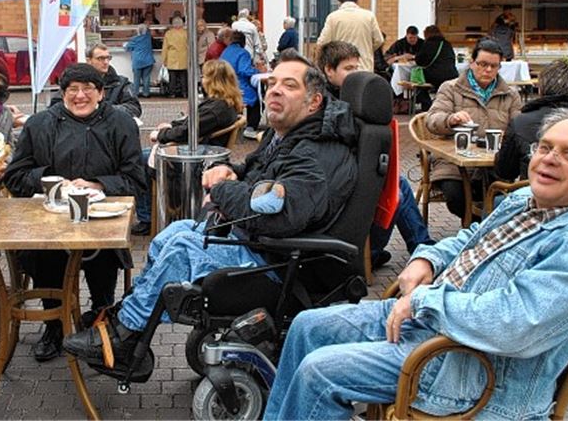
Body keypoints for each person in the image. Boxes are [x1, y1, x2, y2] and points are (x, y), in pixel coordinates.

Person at [265, 110, 568, 420]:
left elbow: (514, 323)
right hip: (432, 324)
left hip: (467, 369)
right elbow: (470, 237)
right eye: (545, 147)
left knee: (320, 372)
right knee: (307, 325)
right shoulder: (525, 200)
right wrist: (427, 256)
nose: (549, 159)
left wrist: (424, 301)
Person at [63, 50, 359, 364]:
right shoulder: (288, 136)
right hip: (260, 244)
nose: (274, 89)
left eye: (289, 85)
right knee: (171, 234)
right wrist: (232, 171)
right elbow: (258, 172)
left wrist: (221, 188)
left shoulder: (315, 152)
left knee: (182, 247)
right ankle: (129, 318)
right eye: (272, 82)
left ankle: (124, 336)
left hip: (279, 261)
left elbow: (278, 214)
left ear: (313, 103)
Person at [2, 64, 146, 362]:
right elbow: (14, 177)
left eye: (88, 89)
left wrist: (97, 184)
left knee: (104, 254)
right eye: (72, 90)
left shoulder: (121, 123)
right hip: (49, 221)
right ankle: (54, 325)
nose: (80, 96)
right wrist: (50, 182)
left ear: (101, 93)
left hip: (102, 222)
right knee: (44, 254)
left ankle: (101, 318)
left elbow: (136, 180)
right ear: (62, 93)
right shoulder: (40, 124)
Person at [318, 41, 433, 268]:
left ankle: (396, 249)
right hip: (336, 184)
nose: (355, 73)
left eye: (356, 67)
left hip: (348, 176)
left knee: (395, 184)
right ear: (329, 70)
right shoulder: (326, 103)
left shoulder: (350, 97)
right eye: (348, 69)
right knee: (396, 189)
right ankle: (408, 248)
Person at [132, 59, 244, 236]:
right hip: (199, 149)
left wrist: (161, 134)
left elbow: (186, 132)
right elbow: (189, 125)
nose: (201, 80)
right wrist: (171, 125)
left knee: (136, 160)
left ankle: (146, 217)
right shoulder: (222, 104)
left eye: (204, 76)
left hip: (194, 156)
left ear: (213, 80)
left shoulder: (216, 109)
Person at [425, 38, 522, 220]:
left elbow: (519, 127)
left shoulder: (510, 95)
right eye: (483, 64)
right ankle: (479, 227)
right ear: (472, 63)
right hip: (453, 162)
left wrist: (508, 136)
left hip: (494, 162)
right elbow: (432, 120)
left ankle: (484, 226)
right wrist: (451, 119)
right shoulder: (451, 88)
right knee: (456, 196)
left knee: (503, 196)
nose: (488, 70)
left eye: (494, 66)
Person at [496, 58, 568, 181]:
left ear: (541, 88)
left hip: (532, 194)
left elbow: (505, 172)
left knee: (497, 198)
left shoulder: (521, 122)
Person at [316, 0, 384, 74]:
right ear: (357, 1)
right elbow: (379, 40)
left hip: (341, 67)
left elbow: (322, 43)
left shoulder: (333, 17)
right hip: (364, 66)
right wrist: (367, 49)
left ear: (339, 2)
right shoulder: (369, 16)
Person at [220, 30, 262, 140]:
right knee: (257, 101)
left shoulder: (225, 51)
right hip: (238, 86)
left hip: (225, 86)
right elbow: (244, 70)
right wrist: (258, 71)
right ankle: (251, 128)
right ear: (243, 42)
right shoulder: (243, 53)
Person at [412, 25, 458, 110]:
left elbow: (419, 61)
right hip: (452, 74)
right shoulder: (447, 44)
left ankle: (427, 105)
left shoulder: (428, 44)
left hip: (435, 75)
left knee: (419, 82)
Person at [125, 25, 155, 98]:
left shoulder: (134, 39)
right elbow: (148, 29)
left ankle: (136, 93)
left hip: (137, 61)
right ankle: (146, 93)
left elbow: (127, 48)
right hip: (148, 61)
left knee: (137, 78)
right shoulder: (148, 37)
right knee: (146, 77)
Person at [162, 17, 189, 98]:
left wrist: (164, 60)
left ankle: (172, 93)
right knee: (183, 77)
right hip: (184, 57)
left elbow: (165, 48)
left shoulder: (168, 33)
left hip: (172, 57)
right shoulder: (186, 33)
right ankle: (184, 93)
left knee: (172, 78)